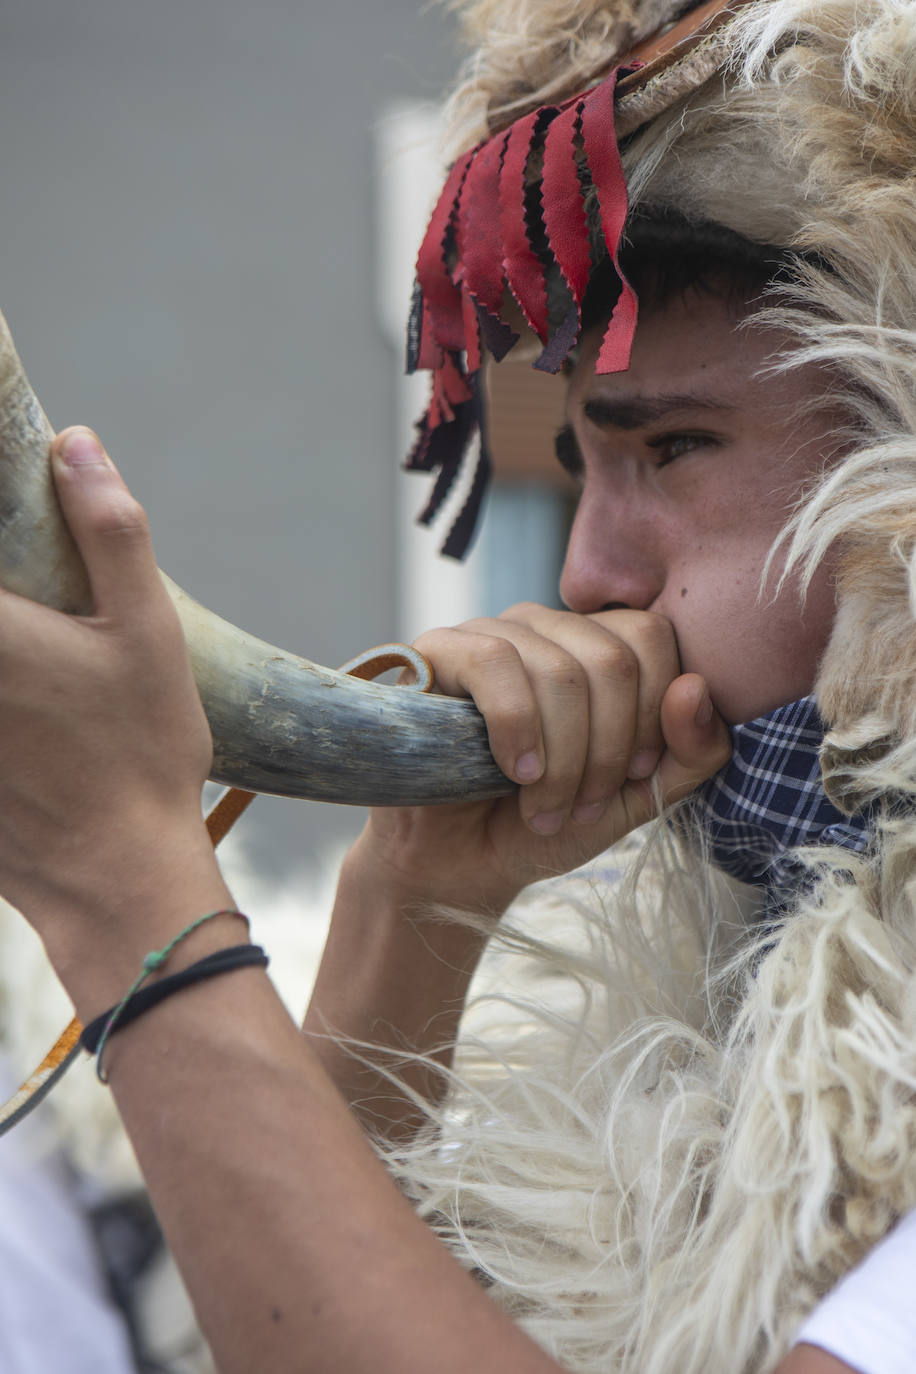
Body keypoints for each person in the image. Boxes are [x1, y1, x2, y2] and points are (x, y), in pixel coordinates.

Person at [1, 1, 915, 1372]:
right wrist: (411, 909)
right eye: (580, 470)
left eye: (672, 448)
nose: (590, 575)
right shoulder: (705, 1039)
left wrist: (125, 887)